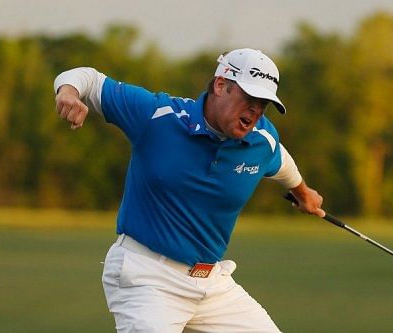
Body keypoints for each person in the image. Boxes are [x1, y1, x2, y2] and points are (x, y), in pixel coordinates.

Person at [54, 48, 325, 333]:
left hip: (212, 284)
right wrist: (68, 92)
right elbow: (88, 79)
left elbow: (280, 160)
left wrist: (302, 191)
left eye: (263, 104)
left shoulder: (261, 140)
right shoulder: (158, 115)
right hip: (147, 277)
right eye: (249, 98)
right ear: (221, 85)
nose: (255, 111)